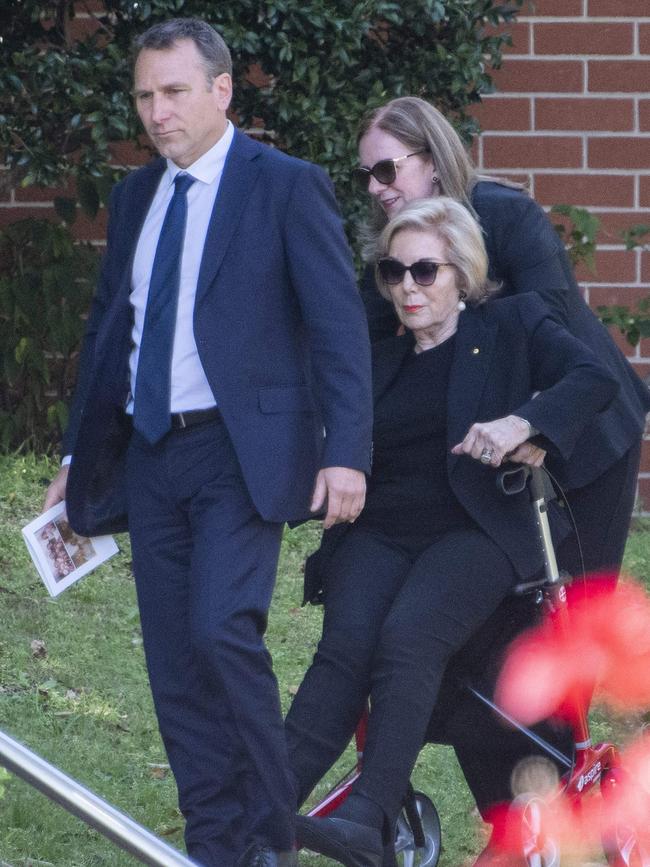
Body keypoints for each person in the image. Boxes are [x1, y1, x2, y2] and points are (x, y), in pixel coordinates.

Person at [43, 18, 372, 867]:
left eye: (175, 91)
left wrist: (348, 452)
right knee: (176, 665)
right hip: (152, 453)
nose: (158, 112)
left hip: (241, 450)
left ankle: (271, 838)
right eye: (145, 95)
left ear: (222, 91)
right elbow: (112, 330)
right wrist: (80, 455)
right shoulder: (134, 197)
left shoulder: (285, 186)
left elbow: (339, 327)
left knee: (223, 628)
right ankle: (218, 847)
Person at [350, 95, 650, 854]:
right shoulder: (393, 255)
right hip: (482, 464)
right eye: (367, 176)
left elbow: (553, 324)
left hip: (579, 448)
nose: (378, 185)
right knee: (477, 633)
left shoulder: (503, 217)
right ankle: (510, 816)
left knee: (544, 637)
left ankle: (546, 814)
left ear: (431, 157)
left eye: (389, 167)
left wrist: (528, 421)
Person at [286, 197, 619, 867]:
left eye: (425, 270)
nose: (407, 286)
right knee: (343, 651)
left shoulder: (513, 325)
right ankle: (257, 811)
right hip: (379, 529)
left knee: (410, 635)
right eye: (394, 271)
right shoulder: (378, 355)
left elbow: (595, 378)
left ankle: (367, 815)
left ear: (462, 272)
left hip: (476, 528)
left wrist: (524, 424)